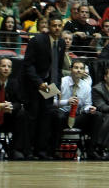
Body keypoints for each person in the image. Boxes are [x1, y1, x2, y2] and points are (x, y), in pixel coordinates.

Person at [21, 15, 65, 159]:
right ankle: (28, 151)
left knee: (45, 119)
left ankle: (41, 151)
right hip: (34, 85)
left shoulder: (62, 43)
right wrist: (39, 82)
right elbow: (28, 65)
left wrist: (56, 87)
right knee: (32, 117)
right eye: (54, 25)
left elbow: (57, 67)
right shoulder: (37, 40)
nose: (57, 28)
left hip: (49, 87)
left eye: (59, 25)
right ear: (49, 27)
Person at [53, 59, 100, 159]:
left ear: (84, 71)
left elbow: (87, 104)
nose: (79, 70)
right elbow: (50, 101)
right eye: (76, 68)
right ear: (70, 69)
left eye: (81, 68)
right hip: (62, 114)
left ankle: (91, 149)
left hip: (76, 116)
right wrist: (66, 101)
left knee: (96, 115)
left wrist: (89, 109)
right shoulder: (61, 81)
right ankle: (55, 149)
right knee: (58, 116)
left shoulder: (86, 86)